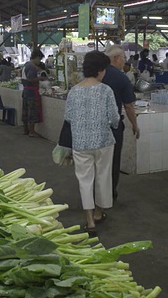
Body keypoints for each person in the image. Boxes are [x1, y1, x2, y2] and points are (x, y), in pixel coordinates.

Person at [65, 50, 120, 235]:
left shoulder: (74, 91)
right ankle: (99, 212)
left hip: (80, 142)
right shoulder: (105, 90)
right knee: (103, 176)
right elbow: (114, 117)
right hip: (103, 141)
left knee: (84, 180)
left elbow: (68, 117)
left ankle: (89, 221)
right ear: (100, 70)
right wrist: (114, 123)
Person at [103, 45, 140, 200]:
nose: (125, 60)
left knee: (98, 162)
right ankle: (109, 193)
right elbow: (129, 106)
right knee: (113, 160)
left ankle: (93, 193)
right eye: (123, 57)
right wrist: (135, 125)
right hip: (113, 126)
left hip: (94, 126)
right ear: (116, 58)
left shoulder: (97, 75)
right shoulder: (121, 77)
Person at [21, 49, 45, 137]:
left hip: (25, 91)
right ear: (37, 57)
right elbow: (30, 79)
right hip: (31, 92)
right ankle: (32, 131)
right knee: (32, 111)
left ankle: (25, 129)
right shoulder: (32, 67)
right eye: (40, 59)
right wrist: (40, 79)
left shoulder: (26, 65)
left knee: (25, 111)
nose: (40, 61)